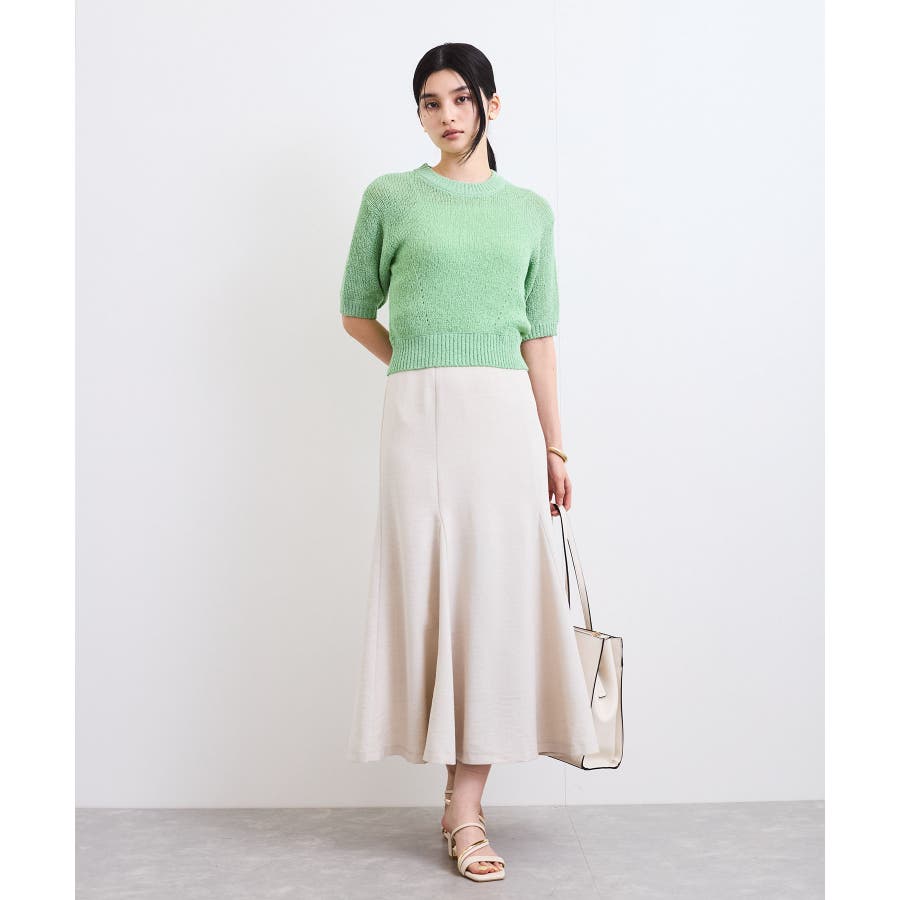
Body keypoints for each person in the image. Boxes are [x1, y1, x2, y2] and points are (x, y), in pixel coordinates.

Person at [339, 42, 599, 883]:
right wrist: (418, 364)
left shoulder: (530, 212)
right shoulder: (390, 197)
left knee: (492, 597)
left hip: (502, 418)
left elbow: (540, 340)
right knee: (430, 588)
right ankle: (454, 790)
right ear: (418, 113)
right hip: (416, 417)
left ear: (492, 102)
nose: (447, 116)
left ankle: (466, 808)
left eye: (460, 98)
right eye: (430, 102)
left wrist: (555, 444)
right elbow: (355, 310)